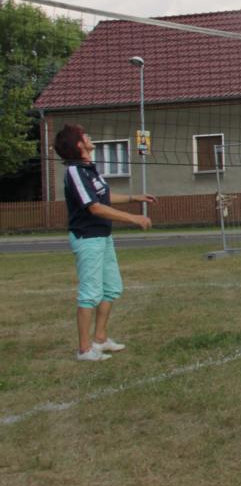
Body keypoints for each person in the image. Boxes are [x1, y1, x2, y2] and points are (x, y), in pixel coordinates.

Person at [54, 123, 155, 362]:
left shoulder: (89, 169)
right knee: (90, 294)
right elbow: (95, 207)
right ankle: (84, 350)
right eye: (84, 135)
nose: (89, 136)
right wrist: (134, 218)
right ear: (79, 144)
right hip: (87, 238)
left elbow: (104, 196)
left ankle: (100, 339)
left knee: (111, 288)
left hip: (102, 236)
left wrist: (134, 198)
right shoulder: (75, 171)